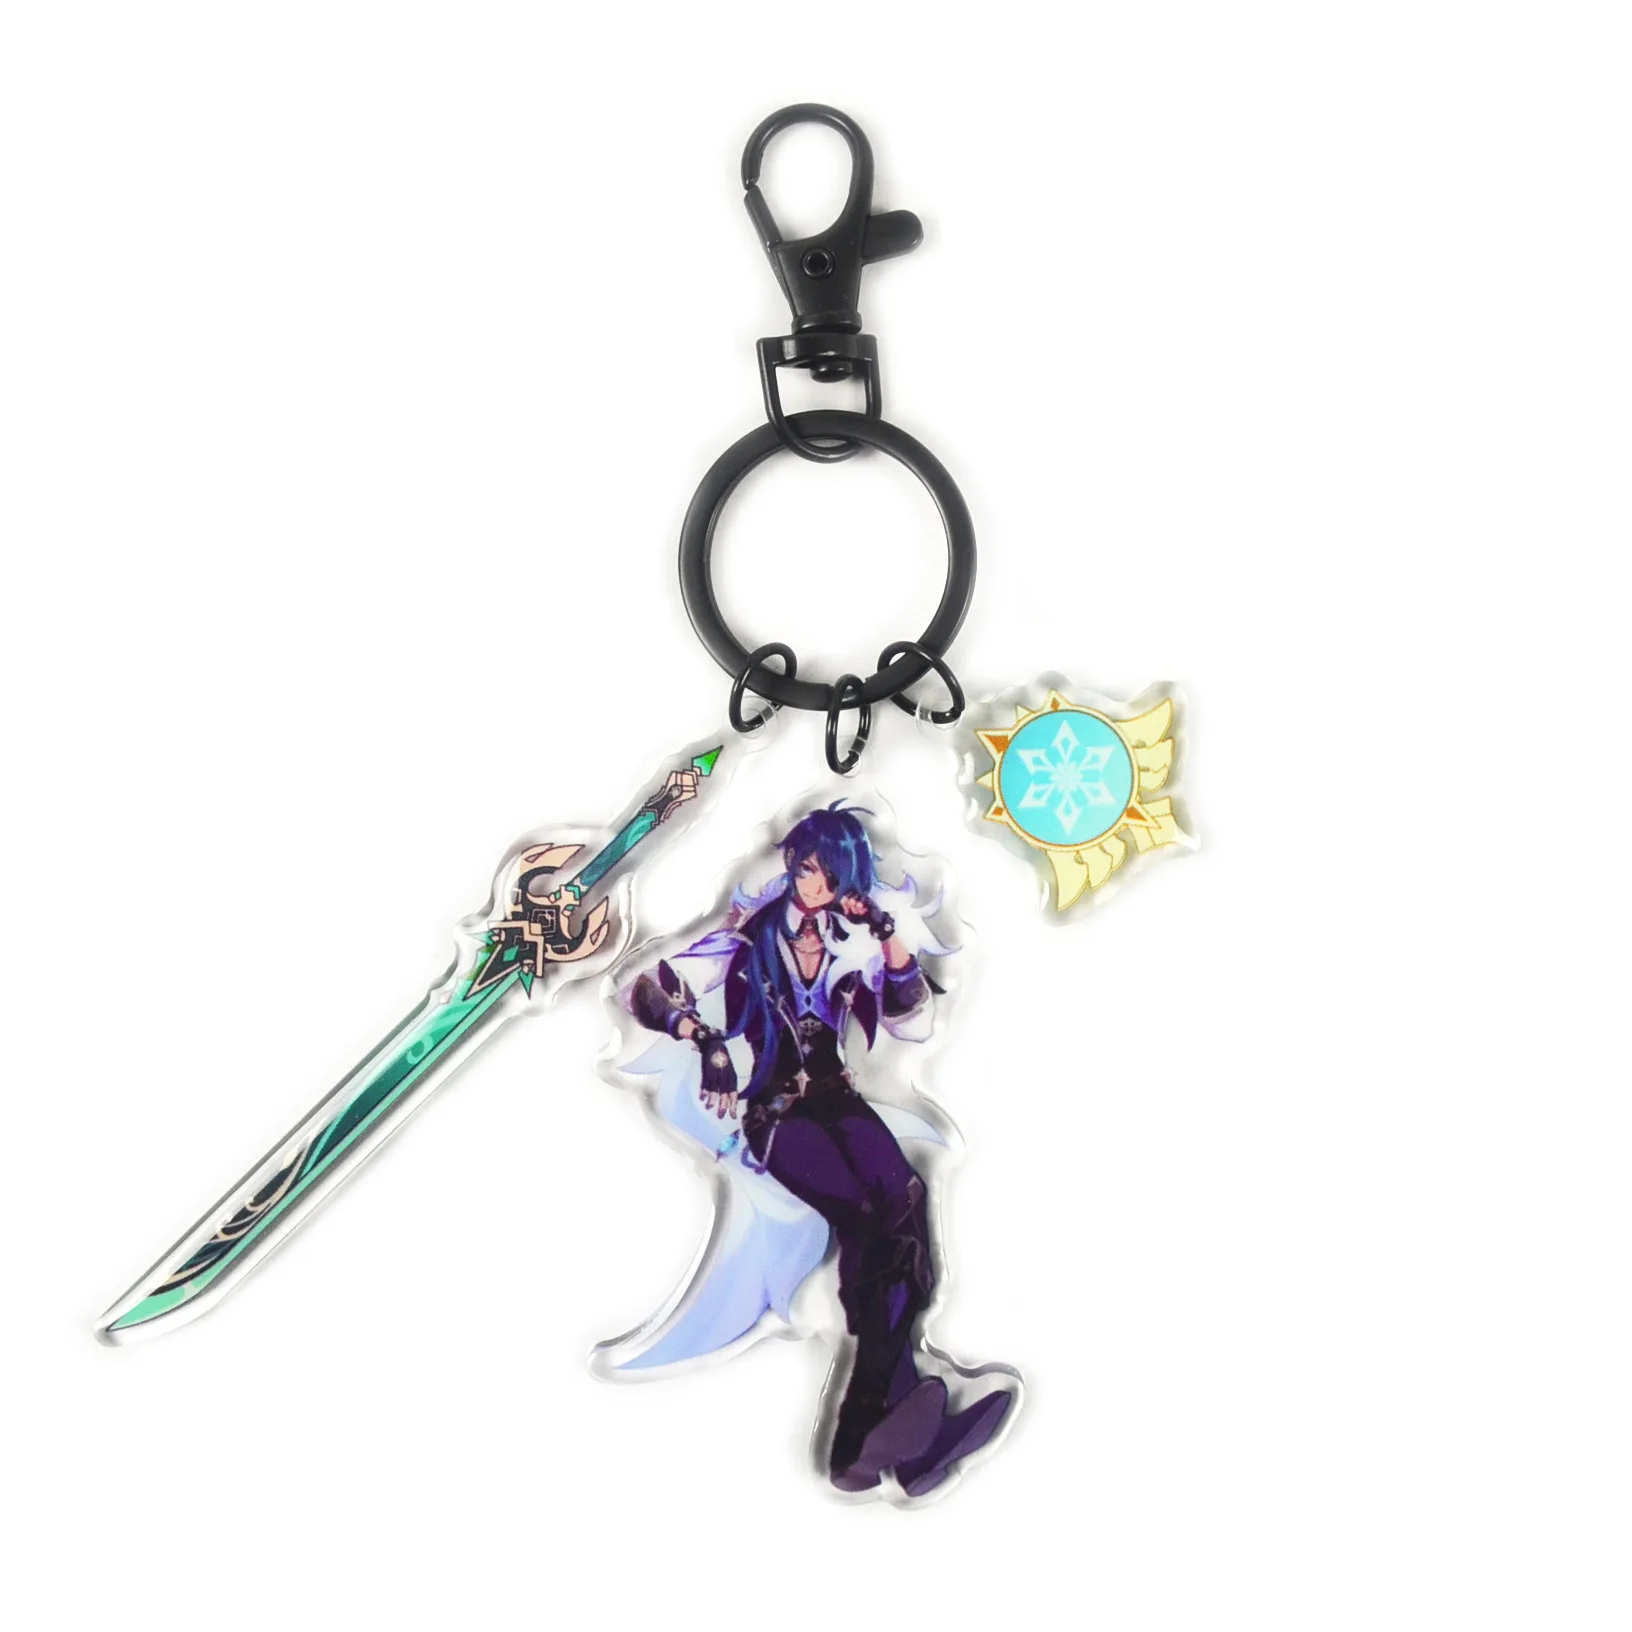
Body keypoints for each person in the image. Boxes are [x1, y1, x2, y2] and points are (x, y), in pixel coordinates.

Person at [617, 804, 1013, 1496]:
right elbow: (643, 992)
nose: (815, 886)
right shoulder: (747, 939)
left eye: (830, 876)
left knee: (906, 1212)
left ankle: (899, 1446)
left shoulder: (850, 940)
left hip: (840, 1101)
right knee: (868, 1222)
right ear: (792, 864)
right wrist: (705, 1040)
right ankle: (866, 1442)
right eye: (807, 870)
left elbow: (911, 1016)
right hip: (777, 1116)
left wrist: (886, 935)